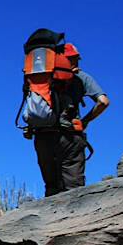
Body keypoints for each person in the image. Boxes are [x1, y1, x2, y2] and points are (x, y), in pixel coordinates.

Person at [31, 42, 107, 196]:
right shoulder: (81, 77)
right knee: (74, 189)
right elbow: (103, 102)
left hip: (43, 136)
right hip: (69, 136)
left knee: (51, 187)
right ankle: (74, 219)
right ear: (73, 59)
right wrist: (85, 121)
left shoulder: (40, 78)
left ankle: (51, 218)